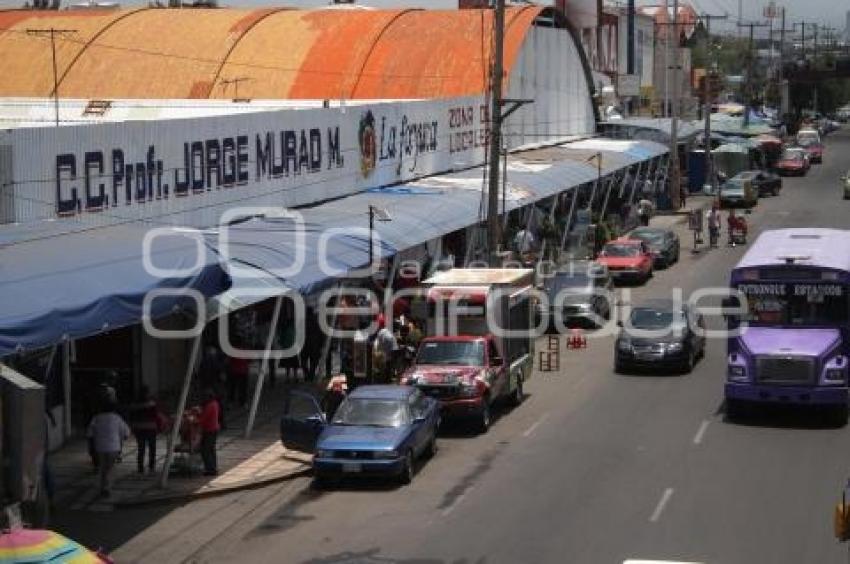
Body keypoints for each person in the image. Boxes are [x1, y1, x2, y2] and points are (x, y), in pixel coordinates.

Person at [87, 403, 130, 498]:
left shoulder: (96, 418)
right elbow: (126, 432)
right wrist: (122, 438)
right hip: (114, 447)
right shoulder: (117, 418)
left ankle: (103, 487)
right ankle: (106, 488)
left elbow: (90, 433)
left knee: (102, 467)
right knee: (110, 468)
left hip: (100, 447)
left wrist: (91, 445)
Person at [128, 386, 160, 474]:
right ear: (147, 393)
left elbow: (131, 415)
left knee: (141, 448)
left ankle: (140, 468)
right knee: (152, 448)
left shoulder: (134, 403)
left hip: (139, 428)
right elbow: (155, 415)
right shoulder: (152, 403)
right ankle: (151, 467)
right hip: (150, 427)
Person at [198, 389, 220, 476]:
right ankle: (213, 468)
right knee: (211, 449)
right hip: (214, 429)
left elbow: (204, 418)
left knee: (205, 450)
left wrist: (197, 420)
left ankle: (209, 469)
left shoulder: (210, 406)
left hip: (209, 430)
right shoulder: (215, 403)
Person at [374, 314, 398, 383]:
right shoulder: (389, 332)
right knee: (388, 370)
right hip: (390, 355)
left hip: (383, 357)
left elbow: (377, 346)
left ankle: (384, 380)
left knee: (383, 371)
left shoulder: (381, 333)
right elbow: (394, 347)